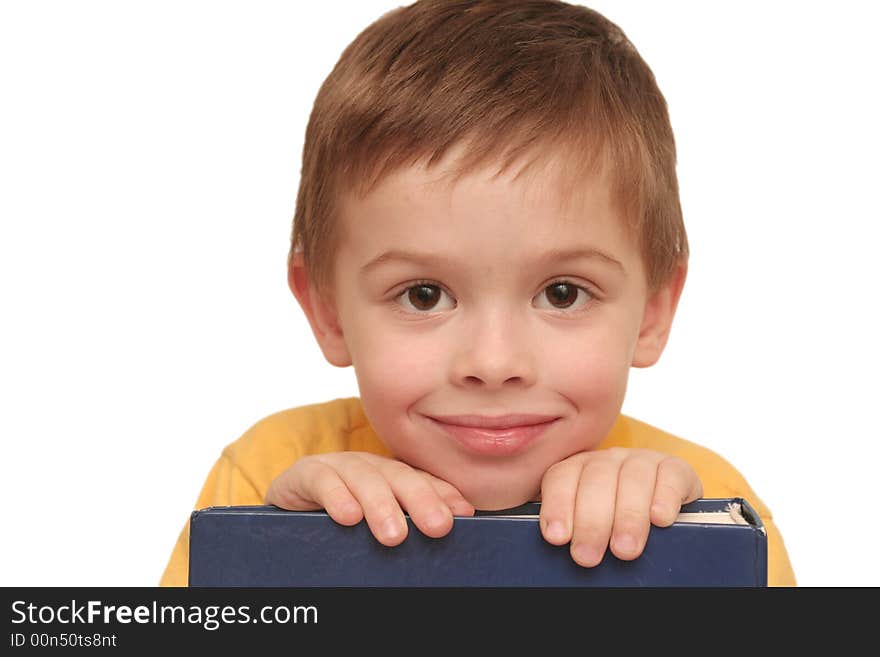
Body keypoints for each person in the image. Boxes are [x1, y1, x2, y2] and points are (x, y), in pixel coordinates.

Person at [160, 0, 796, 586]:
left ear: (654, 310)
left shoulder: (708, 507)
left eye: (564, 293)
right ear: (326, 310)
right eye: (425, 295)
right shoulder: (263, 479)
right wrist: (281, 554)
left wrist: (680, 558)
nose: (493, 365)